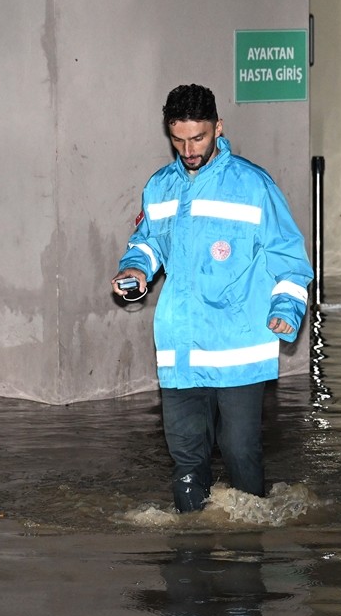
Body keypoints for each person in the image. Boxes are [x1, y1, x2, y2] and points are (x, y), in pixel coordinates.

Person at [110, 84, 313, 512]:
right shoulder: (160, 187)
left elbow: (289, 259)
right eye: (178, 139)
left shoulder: (254, 186)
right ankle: (191, 551)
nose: (188, 149)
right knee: (186, 460)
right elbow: (148, 242)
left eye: (198, 137)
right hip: (180, 348)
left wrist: (286, 309)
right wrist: (135, 269)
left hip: (238, 348)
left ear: (218, 128)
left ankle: (248, 552)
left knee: (240, 452)